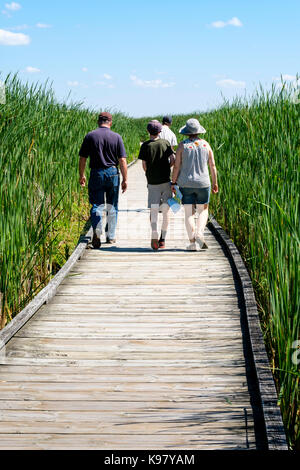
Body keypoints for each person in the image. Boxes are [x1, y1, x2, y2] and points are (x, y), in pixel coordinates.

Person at [79, 112, 128, 249]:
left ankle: (97, 231)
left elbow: (83, 158)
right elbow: (122, 160)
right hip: (113, 173)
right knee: (112, 206)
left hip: (96, 173)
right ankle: (111, 236)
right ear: (110, 122)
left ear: (98, 122)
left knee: (96, 205)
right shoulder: (116, 137)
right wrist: (125, 179)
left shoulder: (90, 136)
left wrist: (81, 175)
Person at [171, 118, 218, 251]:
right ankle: (199, 233)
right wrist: (215, 182)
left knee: (188, 212)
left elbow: (176, 166)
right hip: (203, 183)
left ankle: (192, 243)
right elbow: (212, 166)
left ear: (186, 132)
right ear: (198, 131)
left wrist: (173, 182)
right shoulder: (206, 144)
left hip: (185, 183)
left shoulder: (182, 145)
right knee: (203, 210)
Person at [138, 120, 174, 250]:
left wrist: (149, 173)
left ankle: (154, 233)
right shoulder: (165, 143)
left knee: (153, 210)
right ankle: (163, 239)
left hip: (152, 182)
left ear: (148, 131)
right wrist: (167, 168)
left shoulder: (145, 146)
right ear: (160, 131)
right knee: (166, 211)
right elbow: (173, 160)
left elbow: (144, 165)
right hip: (165, 180)